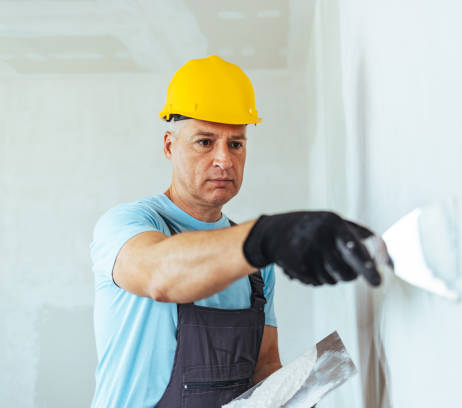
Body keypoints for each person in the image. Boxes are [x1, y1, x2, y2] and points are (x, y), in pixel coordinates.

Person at [90, 55, 384, 408]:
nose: (224, 160)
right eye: (204, 142)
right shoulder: (128, 225)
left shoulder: (257, 264)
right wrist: (266, 237)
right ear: (170, 145)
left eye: (236, 143)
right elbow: (160, 275)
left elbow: (264, 367)